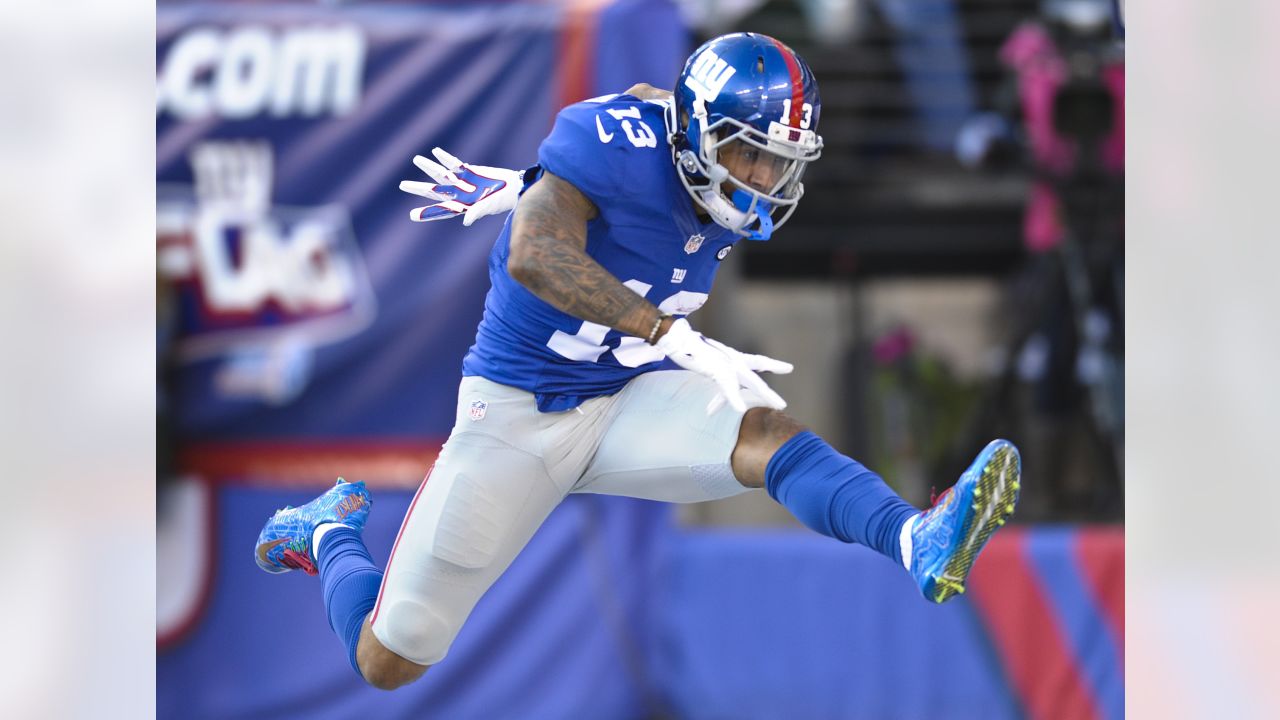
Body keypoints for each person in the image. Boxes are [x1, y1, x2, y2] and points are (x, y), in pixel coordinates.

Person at [255, 32, 1021, 691]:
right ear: (697, 134)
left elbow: (657, 102)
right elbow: (535, 252)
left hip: (623, 398)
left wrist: (529, 181)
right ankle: (327, 534)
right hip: (520, 414)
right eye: (746, 153)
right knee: (391, 660)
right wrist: (660, 327)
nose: (759, 179)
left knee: (765, 434)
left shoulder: (685, 132)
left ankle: (915, 538)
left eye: (775, 160)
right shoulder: (612, 143)